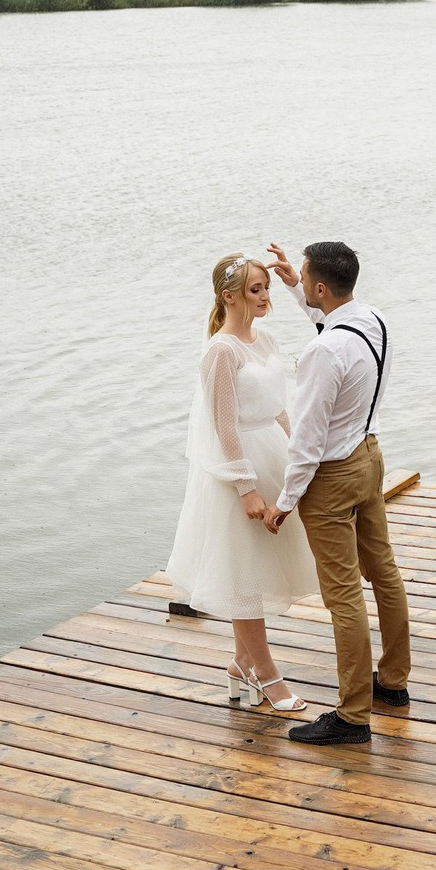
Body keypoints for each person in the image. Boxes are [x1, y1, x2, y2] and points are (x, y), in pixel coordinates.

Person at [260, 239, 413, 747]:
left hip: (331, 477)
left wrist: (285, 501)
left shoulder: (322, 353)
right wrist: (291, 287)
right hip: (369, 457)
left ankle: (352, 717)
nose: (302, 284)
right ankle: (392, 685)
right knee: (384, 572)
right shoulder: (374, 320)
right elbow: (332, 324)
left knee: (344, 595)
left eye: (304, 279)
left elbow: (306, 441)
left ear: (322, 286)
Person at [162, 253, 321, 712]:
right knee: (245, 576)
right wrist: (245, 486)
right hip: (240, 465)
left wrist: (300, 454)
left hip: (274, 454)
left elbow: (279, 405)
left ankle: (240, 665)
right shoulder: (221, 350)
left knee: (263, 565)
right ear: (228, 296)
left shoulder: (266, 338)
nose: (265, 297)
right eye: (255, 290)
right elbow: (223, 424)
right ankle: (267, 676)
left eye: (267, 289)